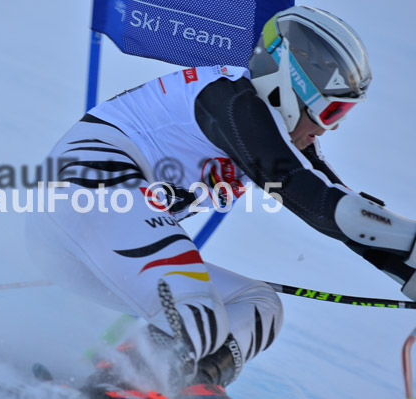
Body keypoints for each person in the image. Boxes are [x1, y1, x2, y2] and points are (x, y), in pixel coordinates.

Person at [27, 5, 416, 395]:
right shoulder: (233, 101)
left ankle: (187, 384)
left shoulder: (271, 129)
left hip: (105, 246)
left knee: (258, 306)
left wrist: (408, 273)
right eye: (333, 111)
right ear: (293, 84)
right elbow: (317, 202)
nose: (327, 128)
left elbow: (341, 211)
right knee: (200, 316)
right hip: (84, 201)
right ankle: (110, 384)